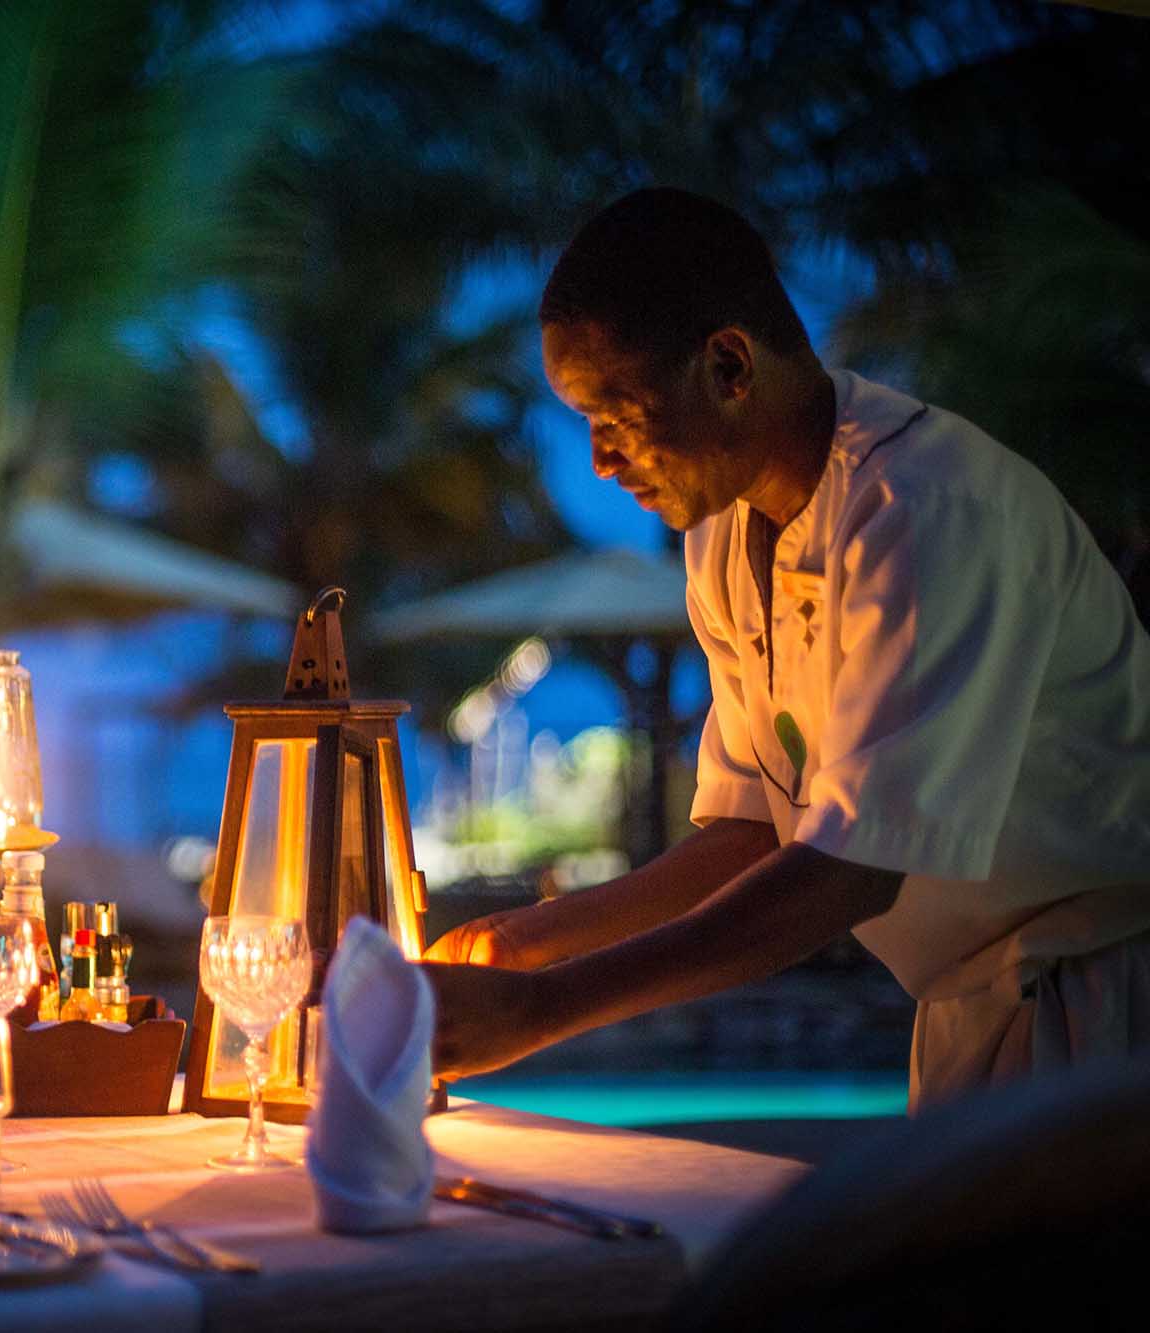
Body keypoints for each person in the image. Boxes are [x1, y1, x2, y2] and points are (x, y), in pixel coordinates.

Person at [423, 188, 1150, 1108]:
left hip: (1107, 993)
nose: (602, 461)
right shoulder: (724, 540)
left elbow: (850, 869)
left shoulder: (925, 510)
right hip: (975, 1003)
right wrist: (514, 944)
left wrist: (541, 1007)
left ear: (729, 365)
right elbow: (751, 831)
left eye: (615, 415)